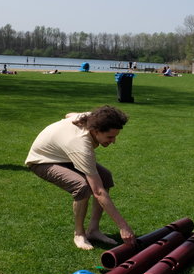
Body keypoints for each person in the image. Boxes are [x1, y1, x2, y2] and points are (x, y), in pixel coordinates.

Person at [25, 105, 136, 250]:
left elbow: (68, 114)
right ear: (95, 131)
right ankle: (79, 234)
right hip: (42, 160)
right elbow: (98, 192)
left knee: (105, 177)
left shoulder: (91, 118)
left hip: (64, 156)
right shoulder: (80, 145)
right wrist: (124, 227)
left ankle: (93, 230)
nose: (113, 141)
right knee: (81, 186)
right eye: (110, 137)